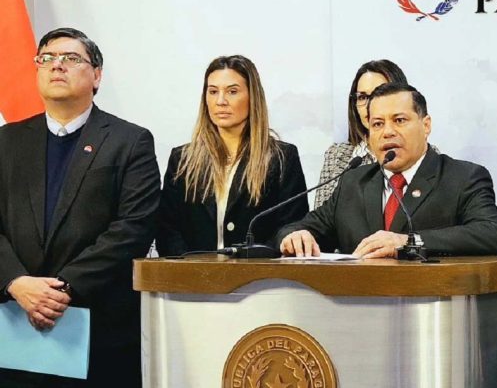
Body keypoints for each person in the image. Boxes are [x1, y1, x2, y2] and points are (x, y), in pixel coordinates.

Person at [0, 27, 160, 387]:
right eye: (47, 59)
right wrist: (16, 282)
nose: (57, 66)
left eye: (71, 59)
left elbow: (133, 228)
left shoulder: (129, 141)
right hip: (14, 325)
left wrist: (63, 288)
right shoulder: (7, 141)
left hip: (98, 329)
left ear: (97, 76)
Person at [278, 82, 497, 259]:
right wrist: (294, 236)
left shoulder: (462, 178)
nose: (387, 132)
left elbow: (491, 234)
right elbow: (302, 227)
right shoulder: (354, 182)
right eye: (377, 124)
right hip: (357, 310)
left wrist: (407, 241)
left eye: (399, 120)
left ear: (426, 125)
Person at [156, 55, 308, 256]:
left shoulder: (281, 158)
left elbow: (290, 228)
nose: (220, 101)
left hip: (260, 281)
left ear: (252, 96)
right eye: (213, 92)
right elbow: (167, 229)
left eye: (232, 91)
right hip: (193, 280)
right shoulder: (183, 159)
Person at [313, 59, 408, 209]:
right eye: (363, 97)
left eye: (380, 93)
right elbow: (320, 223)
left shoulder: (422, 154)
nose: (370, 105)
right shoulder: (337, 156)